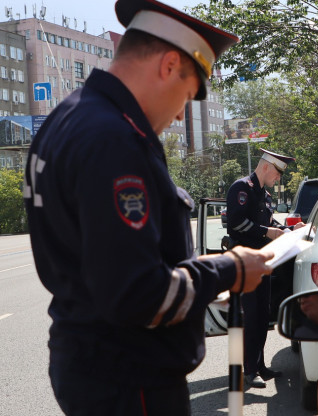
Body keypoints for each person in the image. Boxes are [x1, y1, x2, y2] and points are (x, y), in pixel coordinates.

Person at [23, 1, 273, 414]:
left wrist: (202, 292)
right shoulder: (114, 139)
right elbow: (137, 294)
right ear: (169, 64)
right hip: (129, 379)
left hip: (93, 365)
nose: (179, 114)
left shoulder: (66, 119)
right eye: (187, 95)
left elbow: (103, 268)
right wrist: (230, 269)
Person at [226, 148, 304, 388]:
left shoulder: (264, 194)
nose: (279, 177)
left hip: (263, 263)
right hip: (244, 263)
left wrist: (291, 229)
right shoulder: (241, 188)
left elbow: (271, 224)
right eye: (278, 172)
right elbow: (236, 222)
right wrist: (268, 232)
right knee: (250, 317)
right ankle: (247, 371)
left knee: (262, 316)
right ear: (267, 166)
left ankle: (258, 365)